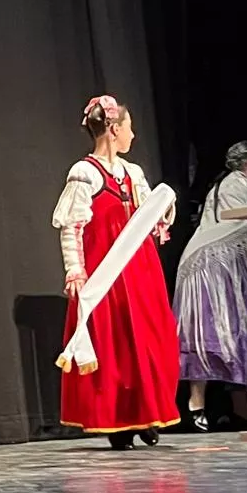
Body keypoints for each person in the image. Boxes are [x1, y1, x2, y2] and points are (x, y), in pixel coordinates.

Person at [52, 96, 179, 449]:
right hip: (106, 270)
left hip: (140, 268)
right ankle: (119, 420)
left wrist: (165, 208)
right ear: (113, 129)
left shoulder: (133, 173)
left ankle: (147, 411)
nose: (133, 135)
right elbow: (72, 226)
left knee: (151, 336)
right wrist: (75, 271)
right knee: (116, 341)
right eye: (128, 127)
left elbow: (150, 217)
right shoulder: (85, 173)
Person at [175, 142, 247, 432]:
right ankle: (198, 404)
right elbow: (243, 229)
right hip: (213, 267)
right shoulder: (237, 183)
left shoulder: (222, 183)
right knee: (217, 332)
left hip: (206, 263)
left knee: (222, 333)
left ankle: (235, 407)